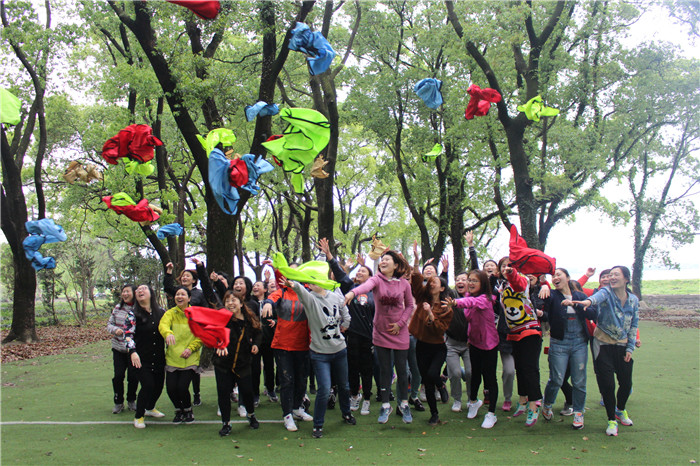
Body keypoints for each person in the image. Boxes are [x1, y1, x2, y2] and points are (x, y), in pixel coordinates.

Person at [344, 250, 415, 425]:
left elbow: (410, 305)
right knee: (384, 370)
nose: (383, 262)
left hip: (399, 332)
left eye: (387, 260)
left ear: (396, 265)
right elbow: (364, 287)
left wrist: (401, 323)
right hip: (381, 332)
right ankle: (385, 405)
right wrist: (352, 294)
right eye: (382, 260)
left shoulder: (404, 284)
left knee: (401, 369)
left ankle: (404, 404)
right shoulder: (376, 279)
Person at [569, 265, 639, 437]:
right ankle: (611, 420)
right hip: (602, 345)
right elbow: (595, 298)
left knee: (626, 384)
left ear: (626, 279)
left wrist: (630, 347)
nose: (612, 277)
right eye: (610, 275)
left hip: (622, 346)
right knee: (607, 385)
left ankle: (620, 410)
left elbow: (633, 324)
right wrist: (586, 302)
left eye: (616, 275)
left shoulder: (633, 300)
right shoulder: (606, 293)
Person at [283, 274, 355, 438]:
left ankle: (347, 413)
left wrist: (345, 325)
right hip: (319, 354)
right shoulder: (310, 299)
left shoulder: (336, 295)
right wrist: (293, 284)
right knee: (324, 389)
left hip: (340, 350)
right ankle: (318, 425)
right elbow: (301, 291)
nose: (312, 283)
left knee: (344, 385)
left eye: (315, 280)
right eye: (310, 281)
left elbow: (346, 313)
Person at [319, 239, 375, 416]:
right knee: (353, 367)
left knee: (367, 369)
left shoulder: (375, 292)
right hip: (351, 336)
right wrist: (329, 256)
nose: (360, 273)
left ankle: (366, 398)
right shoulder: (350, 288)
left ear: (371, 277)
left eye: (364, 271)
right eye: (358, 271)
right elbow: (339, 274)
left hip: (369, 337)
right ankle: (354, 395)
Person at [540, 268, 596, 430]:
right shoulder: (551, 295)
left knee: (579, 380)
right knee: (557, 379)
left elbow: (592, 313)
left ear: (567, 278)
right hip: (559, 342)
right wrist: (543, 286)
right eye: (553, 276)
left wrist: (575, 305)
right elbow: (542, 305)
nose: (555, 278)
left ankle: (578, 412)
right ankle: (548, 404)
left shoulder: (579, 296)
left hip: (579, 343)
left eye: (559, 275)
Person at [444, 270, 499, 429]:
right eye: (470, 280)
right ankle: (473, 402)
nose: (471, 283)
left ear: (483, 283)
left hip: (489, 344)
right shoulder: (470, 295)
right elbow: (470, 316)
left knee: (489, 379)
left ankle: (491, 413)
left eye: (475, 280)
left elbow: (470, 303)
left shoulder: (485, 299)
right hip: (474, 343)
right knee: (474, 375)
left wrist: (455, 303)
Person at [262, 269, 313, 432]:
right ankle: (287, 414)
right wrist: (268, 303)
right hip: (283, 345)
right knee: (286, 380)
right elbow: (271, 298)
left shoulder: (306, 292)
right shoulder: (281, 292)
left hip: (303, 345)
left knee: (301, 378)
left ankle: (298, 408)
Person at [496, 257, 543, 427]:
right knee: (520, 369)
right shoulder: (502, 287)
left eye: (510, 266)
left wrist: (513, 273)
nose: (506, 268)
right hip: (514, 333)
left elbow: (519, 284)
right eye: (503, 266)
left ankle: (533, 406)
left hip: (529, 331)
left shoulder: (521, 280)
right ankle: (522, 400)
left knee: (529, 369)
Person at [214, 291, 262, 436]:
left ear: (241, 304)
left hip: (243, 363)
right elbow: (212, 334)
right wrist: (218, 345)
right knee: (223, 393)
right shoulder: (221, 320)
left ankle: (251, 414)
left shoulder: (249, 320)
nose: (230, 303)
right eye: (227, 300)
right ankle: (226, 423)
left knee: (247, 392)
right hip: (223, 364)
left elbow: (259, 332)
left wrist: (256, 345)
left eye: (234, 300)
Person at [409, 273, 453, 425]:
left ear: (442, 288)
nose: (432, 284)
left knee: (433, 373)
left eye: (435, 282)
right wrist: (415, 262)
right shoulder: (423, 299)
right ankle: (434, 414)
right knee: (427, 381)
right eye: (430, 281)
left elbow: (439, 330)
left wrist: (429, 313)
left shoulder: (446, 308)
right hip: (422, 346)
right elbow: (415, 283)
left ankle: (440, 384)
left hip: (438, 348)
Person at [159, 286, 203, 424]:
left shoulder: (195, 314)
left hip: (190, 358)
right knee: (171, 388)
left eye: (183, 294)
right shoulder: (170, 313)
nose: (180, 297)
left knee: (182, 387)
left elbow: (201, 335)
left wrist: (191, 349)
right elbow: (163, 325)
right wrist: (168, 333)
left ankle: (188, 410)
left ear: (189, 298)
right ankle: (179, 410)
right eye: (177, 294)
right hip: (173, 357)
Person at [164, 262, 206, 406]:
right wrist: (169, 272)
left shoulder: (199, 294)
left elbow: (206, 309)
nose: (184, 278)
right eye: (183, 276)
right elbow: (168, 287)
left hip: (194, 333)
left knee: (193, 369)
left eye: (187, 276)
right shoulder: (176, 295)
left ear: (194, 280)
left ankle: (196, 393)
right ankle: (181, 405)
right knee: (175, 384)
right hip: (177, 340)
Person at [125, 284, 166, 429]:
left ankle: (150, 408)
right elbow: (128, 335)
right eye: (138, 291)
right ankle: (139, 416)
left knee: (159, 386)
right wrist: (132, 352)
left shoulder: (161, 312)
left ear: (151, 294)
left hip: (159, 357)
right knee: (148, 385)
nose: (140, 291)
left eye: (144, 289)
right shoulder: (132, 314)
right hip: (140, 358)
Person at [107, 284, 138, 414]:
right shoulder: (118, 308)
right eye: (123, 292)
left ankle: (131, 400)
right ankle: (118, 402)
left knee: (133, 377)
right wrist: (115, 330)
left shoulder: (139, 309)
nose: (125, 294)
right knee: (118, 376)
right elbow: (109, 324)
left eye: (128, 291)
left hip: (133, 351)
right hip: (118, 348)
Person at [252, 280, 278, 403]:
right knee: (255, 369)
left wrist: (275, 322)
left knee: (269, 367)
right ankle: (255, 394)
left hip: (268, 339)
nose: (255, 287)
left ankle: (271, 390)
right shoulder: (250, 303)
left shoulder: (271, 302)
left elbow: (278, 317)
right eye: (254, 285)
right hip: (254, 342)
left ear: (265, 289)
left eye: (258, 285)